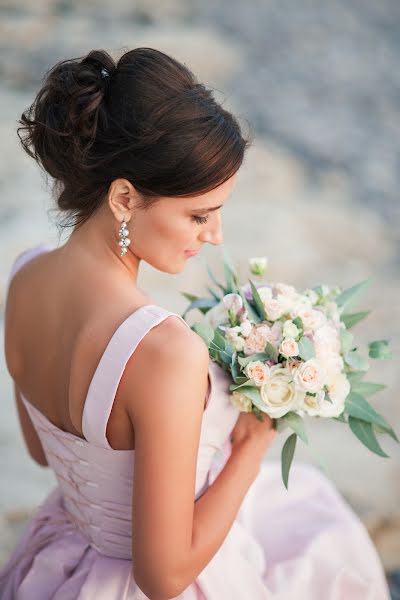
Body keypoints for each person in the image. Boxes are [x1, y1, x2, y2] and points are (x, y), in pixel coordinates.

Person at [0, 47, 390, 600]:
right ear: (124, 197)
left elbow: (44, 452)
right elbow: (162, 577)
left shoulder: (23, 275)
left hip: (58, 558)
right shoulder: (161, 350)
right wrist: (254, 443)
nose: (215, 236)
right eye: (199, 214)